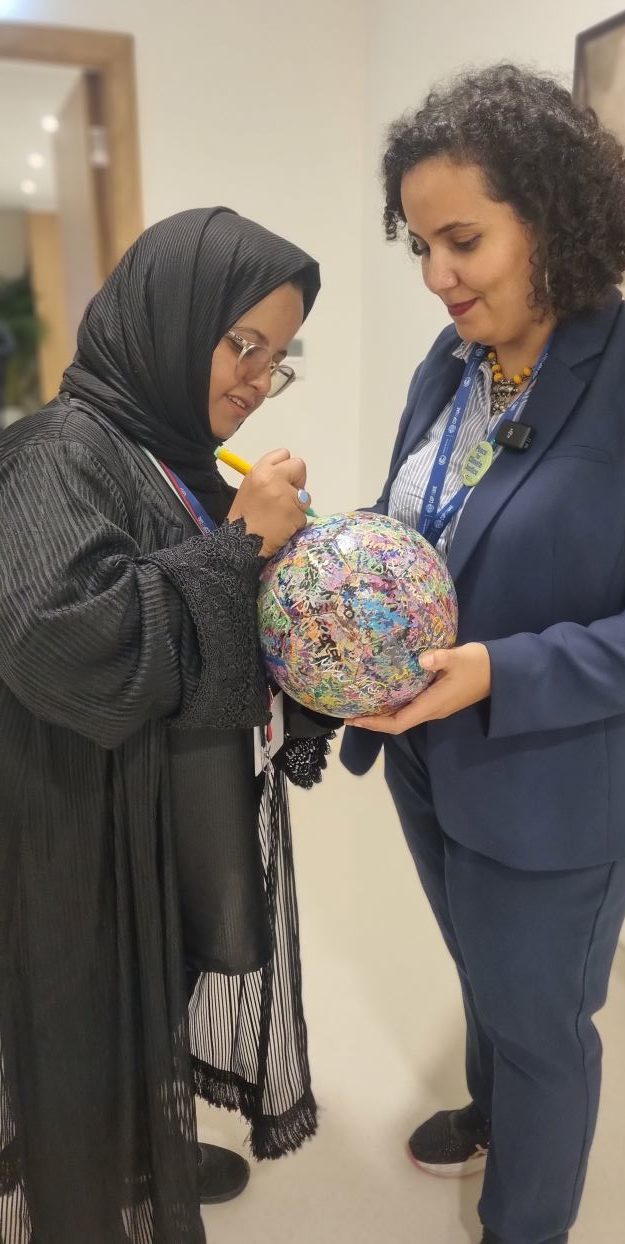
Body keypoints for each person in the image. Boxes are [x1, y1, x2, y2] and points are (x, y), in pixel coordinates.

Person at [341, 64, 625, 1244]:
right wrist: (331, 559)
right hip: (431, 757)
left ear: (548, 217)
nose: (437, 278)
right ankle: (492, 1108)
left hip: (564, 787)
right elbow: (420, 523)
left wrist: (501, 670)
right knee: (487, 977)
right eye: (421, 247)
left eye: (463, 241)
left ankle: (523, 1223)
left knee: (543, 1023)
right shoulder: (449, 366)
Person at [0, 207, 332, 1244]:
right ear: (168, 316)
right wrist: (236, 550)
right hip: (76, 834)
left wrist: (275, 570)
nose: (252, 377)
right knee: (80, 1037)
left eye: (275, 359)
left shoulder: (164, 450)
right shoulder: (61, 451)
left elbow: (187, 601)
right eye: (240, 342)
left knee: (144, 1006)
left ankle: (141, 1150)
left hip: (145, 815)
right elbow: (56, 633)